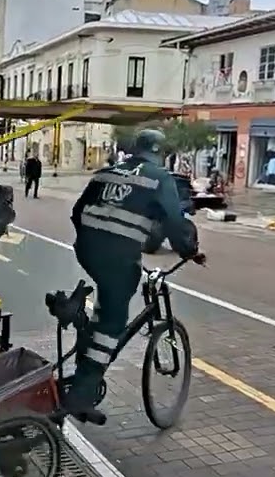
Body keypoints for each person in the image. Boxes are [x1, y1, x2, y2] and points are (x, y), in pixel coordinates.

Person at [66, 128, 203, 419]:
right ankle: (82, 393)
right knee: (114, 321)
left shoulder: (108, 172)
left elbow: (77, 211)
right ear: (160, 152)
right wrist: (189, 250)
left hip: (88, 250)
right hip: (117, 256)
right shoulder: (159, 177)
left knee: (108, 298)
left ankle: (83, 332)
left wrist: (91, 241)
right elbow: (175, 222)